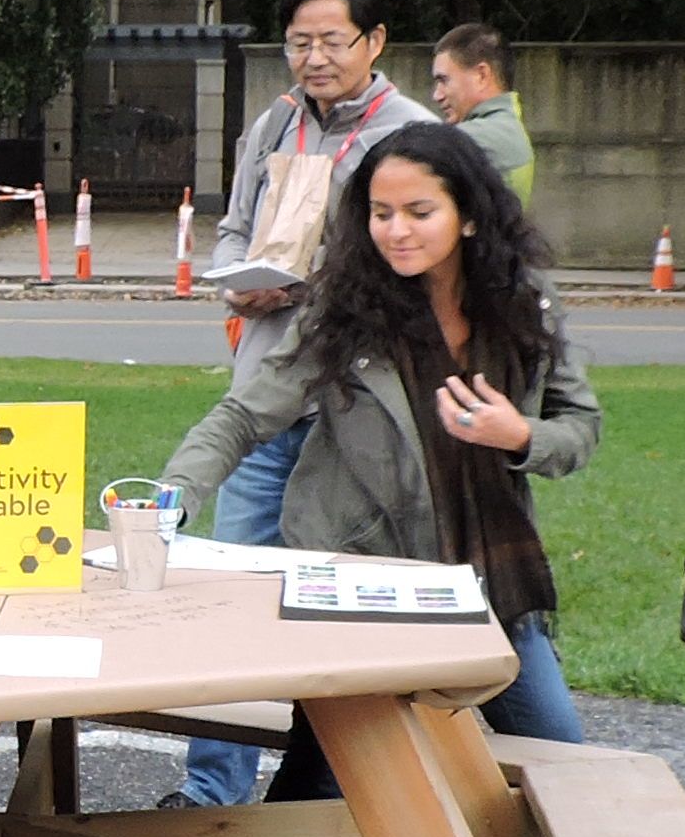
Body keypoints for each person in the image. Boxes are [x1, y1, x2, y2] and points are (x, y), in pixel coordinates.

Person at [157, 122, 599, 755]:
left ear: (469, 218)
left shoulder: (526, 304)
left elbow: (581, 427)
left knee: (560, 756)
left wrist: (519, 434)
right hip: (364, 583)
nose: (397, 231)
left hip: (488, 583)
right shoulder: (343, 308)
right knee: (335, 768)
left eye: (420, 212)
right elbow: (244, 416)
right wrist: (171, 495)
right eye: (382, 213)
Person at [182, 0, 429, 803]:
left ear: (375, 42)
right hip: (265, 400)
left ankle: (338, 792)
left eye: (332, 41)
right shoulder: (273, 126)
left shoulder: (413, 136)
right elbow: (232, 228)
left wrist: (307, 285)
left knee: (344, 605)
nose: (315, 58)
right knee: (227, 596)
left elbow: (424, 274)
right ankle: (212, 795)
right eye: (299, 42)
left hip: (359, 415)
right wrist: (232, 276)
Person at [428, 24, 537, 199]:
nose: (437, 95)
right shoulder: (507, 127)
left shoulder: (470, 139)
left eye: (444, 80)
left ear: (481, 75)